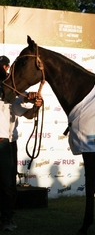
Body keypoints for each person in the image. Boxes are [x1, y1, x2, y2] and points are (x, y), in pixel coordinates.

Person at [0, 55, 43, 231]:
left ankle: (7, 218)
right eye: (2, 67)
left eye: (5, 67)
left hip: (7, 144)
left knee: (8, 184)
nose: (4, 70)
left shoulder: (13, 90)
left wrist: (35, 104)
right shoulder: (9, 90)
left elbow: (25, 113)